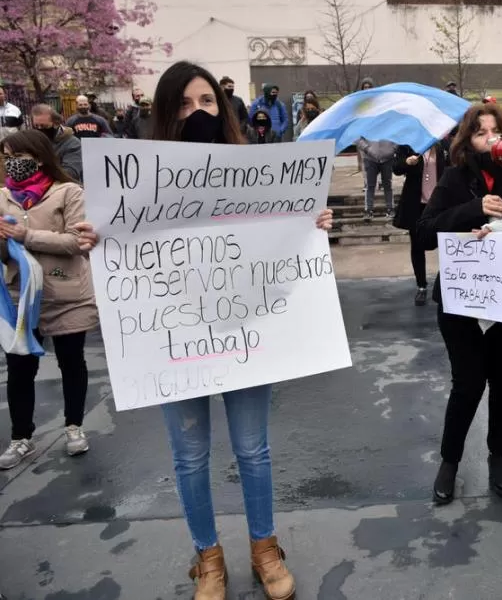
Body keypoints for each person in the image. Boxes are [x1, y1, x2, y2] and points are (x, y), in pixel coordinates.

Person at [106, 60, 337, 600]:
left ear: (224, 107)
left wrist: (311, 223)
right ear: (166, 113)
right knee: (189, 455)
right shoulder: (138, 184)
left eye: (206, 102)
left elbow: (281, 241)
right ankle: (208, 558)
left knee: (252, 449)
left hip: (244, 336)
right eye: (184, 105)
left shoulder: (254, 174)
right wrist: (99, 237)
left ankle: (264, 549)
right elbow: (124, 243)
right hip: (173, 338)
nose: (198, 113)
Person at [415, 102, 502, 507]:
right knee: (469, 382)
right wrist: (472, 211)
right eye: (480, 132)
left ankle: (497, 456)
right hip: (461, 302)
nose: (489, 138)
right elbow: (424, 232)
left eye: (496, 131)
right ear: (467, 140)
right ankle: (450, 461)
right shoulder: (456, 179)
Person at [0, 130, 99, 470]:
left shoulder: (69, 192)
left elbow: (76, 241)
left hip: (66, 293)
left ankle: (74, 427)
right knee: (19, 368)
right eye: (6, 157)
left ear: (39, 157)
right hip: (21, 297)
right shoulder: (3, 197)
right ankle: (20, 437)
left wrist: (25, 235)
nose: (11, 164)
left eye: (18, 157)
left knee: (71, 363)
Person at [393, 140, 447, 306]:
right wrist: (406, 162)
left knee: (446, 245)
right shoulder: (407, 145)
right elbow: (396, 168)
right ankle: (421, 286)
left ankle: (447, 284)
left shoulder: (444, 146)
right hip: (415, 204)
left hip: (439, 204)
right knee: (416, 246)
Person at [29, 104, 83, 181]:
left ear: (56, 123)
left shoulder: (72, 143)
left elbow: (71, 173)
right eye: (36, 126)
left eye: (44, 126)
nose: (39, 129)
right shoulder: (30, 141)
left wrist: (39, 176)